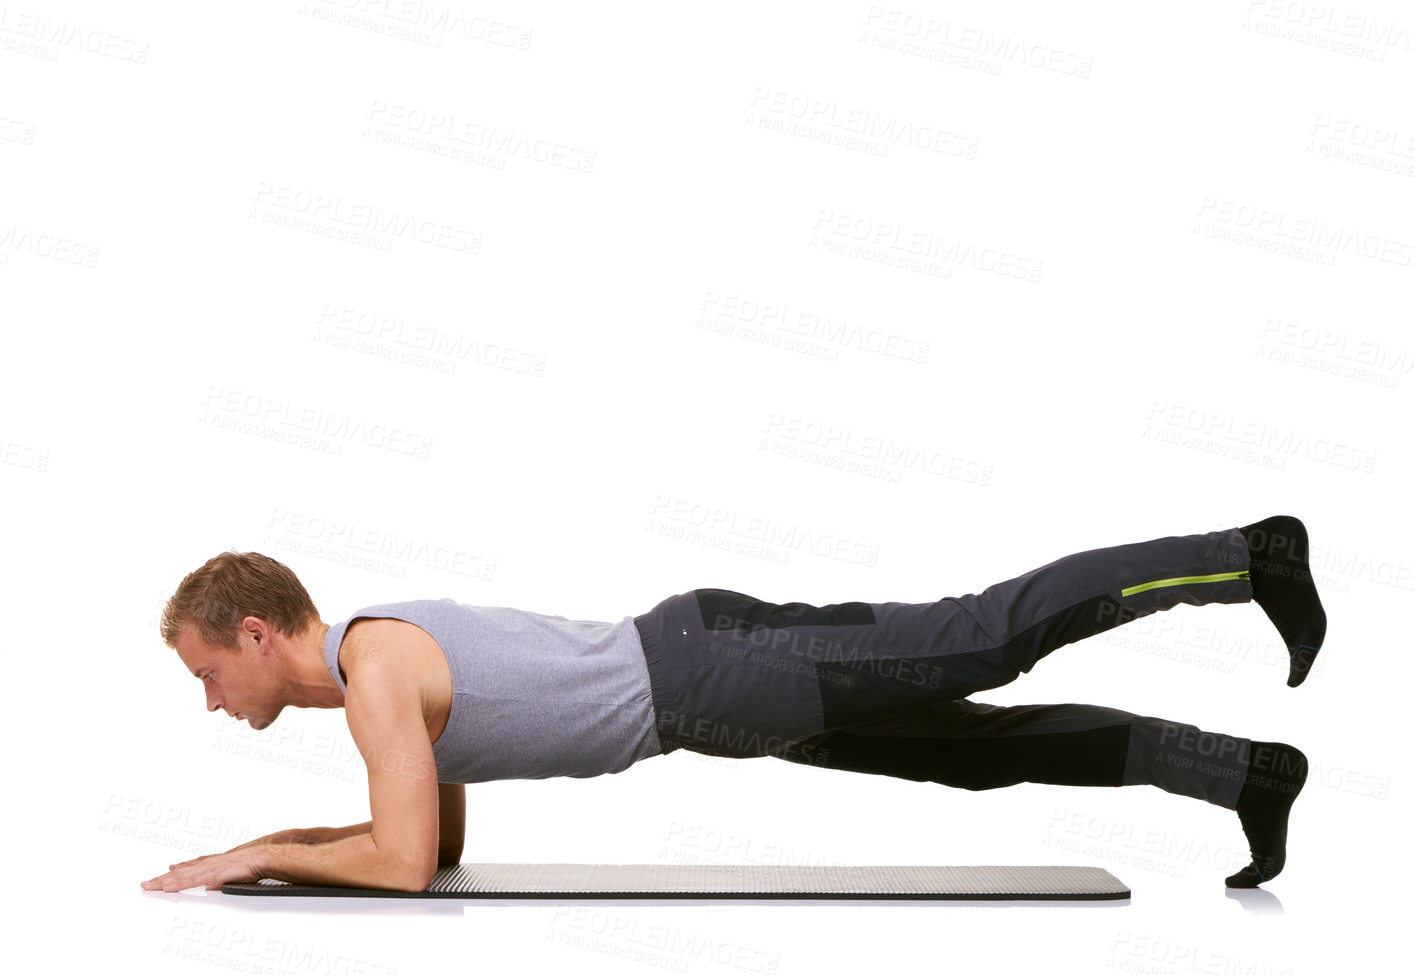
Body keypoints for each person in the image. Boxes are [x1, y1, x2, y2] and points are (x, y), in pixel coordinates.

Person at [140, 515, 1325, 895]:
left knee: (985, 637)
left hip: (712, 667)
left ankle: (1247, 556)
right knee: (970, 754)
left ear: (254, 632)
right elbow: (436, 849)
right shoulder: (380, 680)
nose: (210, 700)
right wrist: (284, 849)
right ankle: (1240, 773)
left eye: (206, 671)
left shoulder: (378, 674)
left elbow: (399, 867)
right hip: (714, 705)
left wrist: (256, 857)